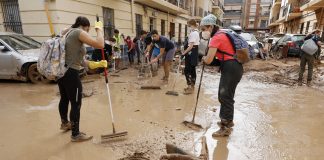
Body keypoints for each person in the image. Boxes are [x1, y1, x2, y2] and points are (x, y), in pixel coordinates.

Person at [58, 16, 106, 142]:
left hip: (61, 72)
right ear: (86, 26)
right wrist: (99, 30)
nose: (87, 33)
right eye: (88, 30)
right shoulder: (79, 32)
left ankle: (65, 123)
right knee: (76, 103)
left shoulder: (67, 32)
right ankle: (75, 134)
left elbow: (79, 60)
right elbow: (100, 44)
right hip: (71, 74)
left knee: (64, 98)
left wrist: (96, 64)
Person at [201, 14, 243, 137]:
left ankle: (225, 127)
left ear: (211, 27)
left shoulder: (217, 38)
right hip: (234, 67)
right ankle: (228, 121)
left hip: (230, 67)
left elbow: (208, 60)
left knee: (225, 96)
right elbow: (218, 57)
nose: (203, 32)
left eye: (204, 29)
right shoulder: (222, 34)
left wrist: (204, 58)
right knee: (226, 95)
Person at [182, 19, 200, 95]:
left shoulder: (194, 33)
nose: (188, 27)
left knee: (187, 70)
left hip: (191, 52)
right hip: (193, 52)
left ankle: (190, 87)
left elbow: (190, 46)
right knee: (192, 70)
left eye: (188, 25)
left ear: (190, 25)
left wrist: (183, 53)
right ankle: (191, 87)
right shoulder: (195, 32)